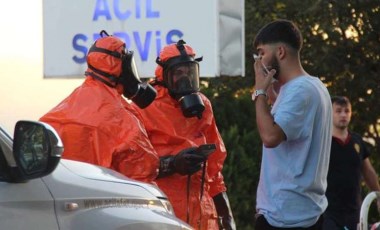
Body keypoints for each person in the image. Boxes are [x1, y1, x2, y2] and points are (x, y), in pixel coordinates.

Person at [39, 31, 198, 185]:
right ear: (122, 69)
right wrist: (174, 163)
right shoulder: (123, 120)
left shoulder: (58, 113)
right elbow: (144, 171)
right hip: (106, 202)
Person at [132, 40, 236, 230]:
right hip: (161, 211)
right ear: (164, 74)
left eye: (189, 72)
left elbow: (214, 169)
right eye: (178, 73)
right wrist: (171, 164)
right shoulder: (144, 107)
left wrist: (226, 216)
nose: (185, 78)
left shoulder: (202, 107)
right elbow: (131, 168)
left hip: (202, 213)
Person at [252, 19, 332, 229]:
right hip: (295, 212)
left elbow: (270, 137)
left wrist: (259, 92)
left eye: (261, 53)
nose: (259, 61)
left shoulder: (300, 90)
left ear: (280, 52)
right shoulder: (309, 87)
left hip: (285, 218)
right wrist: (270, 94)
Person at [322, 96, 380, 230]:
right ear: (330, 113)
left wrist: (378, 195)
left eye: (346, 111)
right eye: (338, 111)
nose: (343, 114)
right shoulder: (323, 142)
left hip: (354, 213)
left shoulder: (357, 141)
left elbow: (368, 172)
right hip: (327, 213)